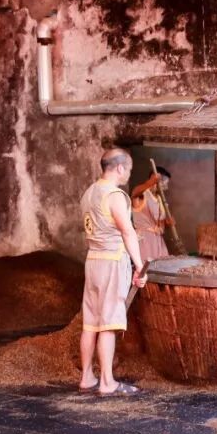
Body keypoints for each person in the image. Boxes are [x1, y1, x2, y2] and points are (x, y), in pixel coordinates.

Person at [78, 147, 145, 396]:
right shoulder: (114, 195)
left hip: (93, 260)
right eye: (128, 169)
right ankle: (107, 382)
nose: (128, 174)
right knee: (108, 323)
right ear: (119, 168)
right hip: (111, 262)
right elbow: (127, 232)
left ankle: (86, 377)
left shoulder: (89, 193)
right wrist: (139, 265)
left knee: (90, 323)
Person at [131, 166, 173, 262]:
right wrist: (149, 183)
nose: (166, 187)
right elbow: (134, 193)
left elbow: (158, 222)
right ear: (156, 180)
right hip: (145, 240)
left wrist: (166, 222)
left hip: (158, 240)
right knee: (146, 268)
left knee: (162, 267)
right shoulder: (142, 195)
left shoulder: (159, 198)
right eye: (165, 184)